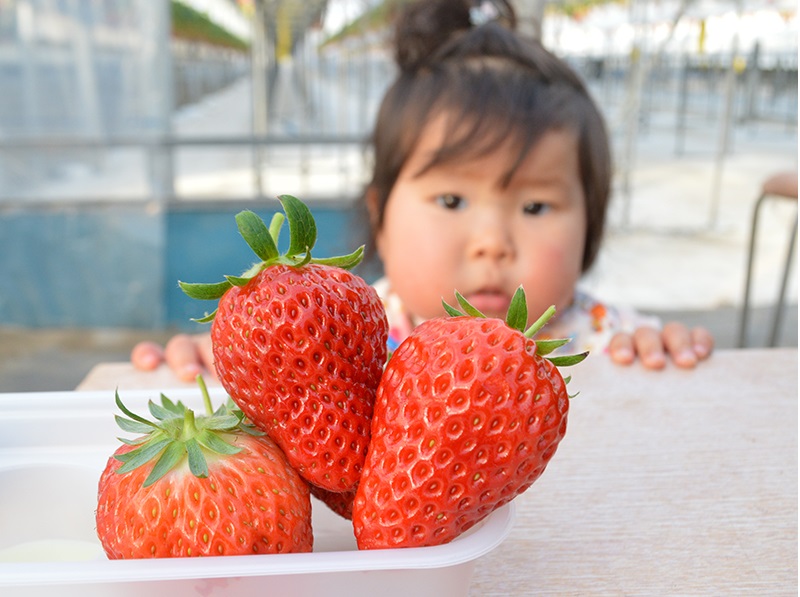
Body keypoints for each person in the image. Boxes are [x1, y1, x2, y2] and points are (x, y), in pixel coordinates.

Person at [131, 0, 713, 382]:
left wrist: (659, 355)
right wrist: (240, 360)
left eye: (535, 206)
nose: (492, 242)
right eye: (452, 201)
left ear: (593, 221)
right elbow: (291, 393)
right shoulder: (343, 341)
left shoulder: (604, 340)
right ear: (380, 216)